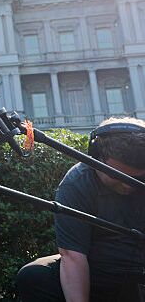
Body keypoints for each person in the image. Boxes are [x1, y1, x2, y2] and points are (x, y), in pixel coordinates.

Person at [16, 116, 145, 302]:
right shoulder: (76, 184)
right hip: (101, 271)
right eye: (118, 176)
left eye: (137, 178)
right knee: (34, 275)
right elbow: (73, 257)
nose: (127, 185)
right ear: (95, 158)